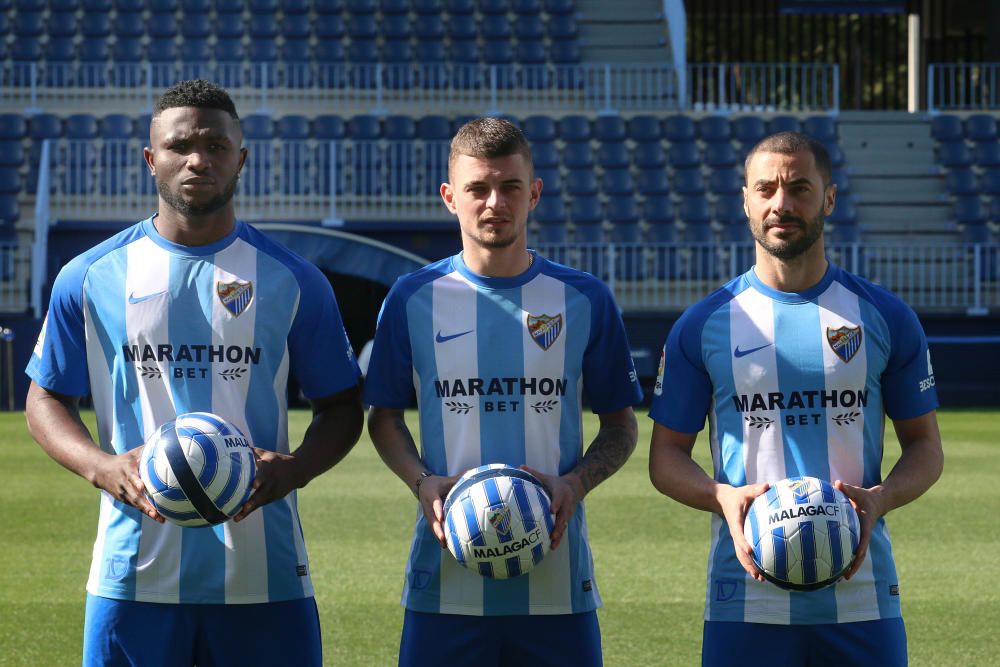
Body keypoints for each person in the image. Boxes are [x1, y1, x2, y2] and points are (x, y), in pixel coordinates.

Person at [24, 80, 363, 667]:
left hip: (266, 575)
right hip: (132, 576)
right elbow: (45, 398)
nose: (198, 159)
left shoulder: (294, 279)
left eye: (215, 145)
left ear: (242, 158)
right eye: (180, 145)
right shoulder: (91, 275)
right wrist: (101, 466)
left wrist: (297, 468)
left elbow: (342, 406)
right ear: (151, 158)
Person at [648, 131, 944, 666]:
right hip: (745, 597)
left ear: (829, 197)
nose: (781, 203)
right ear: (746, 200)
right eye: (766, 188)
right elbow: (665, 457)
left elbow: (925, 447)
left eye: (799, 187)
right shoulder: (702, 325)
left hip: (863, 597)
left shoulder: (885, 317)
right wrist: (722, 497)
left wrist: (882, 498)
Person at [364, 117, 643, 667]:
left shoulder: (584, 298)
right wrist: (423, 482)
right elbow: (384, 417)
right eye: (477, 188)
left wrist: (576, 482)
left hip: (557, 587)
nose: (495, 202)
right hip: (444, 585)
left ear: (533, 193)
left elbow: (621, 425)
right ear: (450, 197)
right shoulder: (411, 297)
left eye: (510, 186)